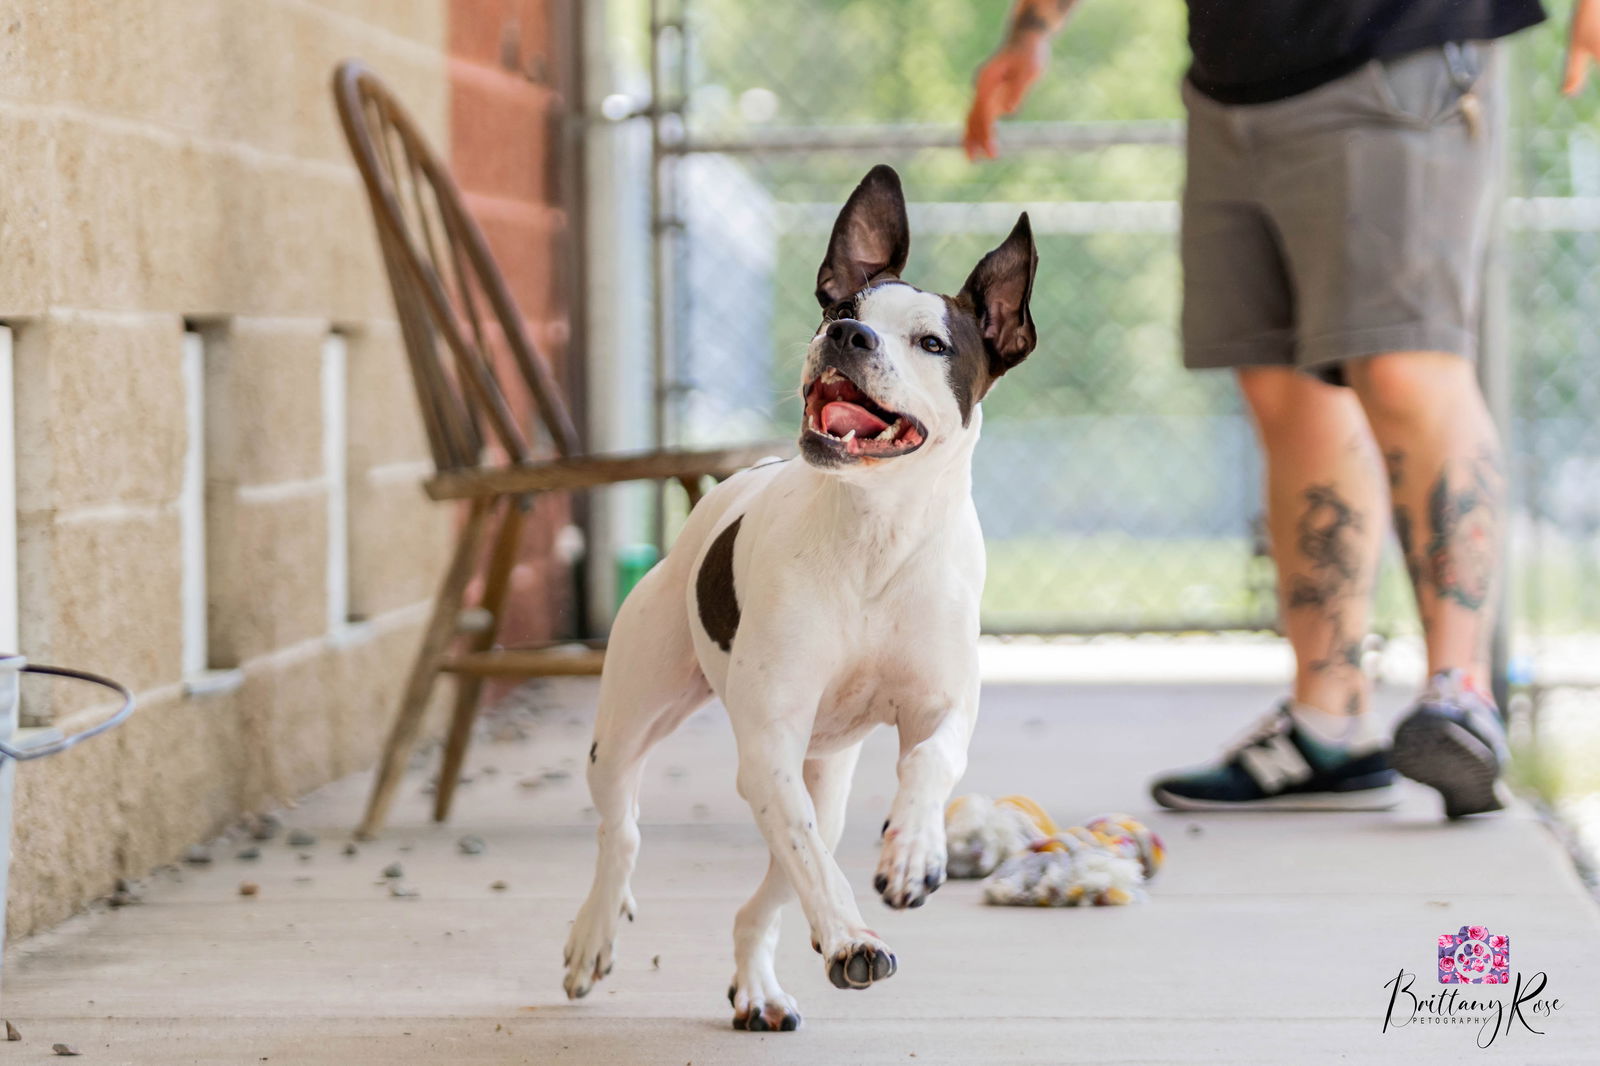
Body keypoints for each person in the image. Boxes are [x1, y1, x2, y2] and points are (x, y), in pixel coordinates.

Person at [965, 0, 1600, 817]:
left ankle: (1461, 695)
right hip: (1234, 82)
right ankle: (1325, 727)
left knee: (1405, 365)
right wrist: (1033, 28)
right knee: (1283, 388)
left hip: (1398, 53)